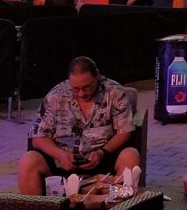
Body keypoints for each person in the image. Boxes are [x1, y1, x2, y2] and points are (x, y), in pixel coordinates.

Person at [18, 56, 140, 194]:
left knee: (131, 155)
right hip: (62, 163)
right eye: (76, 89)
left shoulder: (114, 93)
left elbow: (125, 131)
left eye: (87, 87)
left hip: (103, 159)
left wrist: (103, 152)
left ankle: (117, 208)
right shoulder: (56, 96)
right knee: (28, 161)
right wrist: (60, 155)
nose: (82, 93)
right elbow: (38, 137)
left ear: (97, 77)